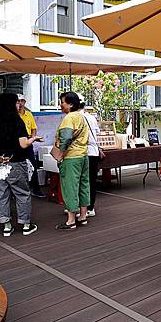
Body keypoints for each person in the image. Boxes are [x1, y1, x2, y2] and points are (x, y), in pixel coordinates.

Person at [0, 93, 43, 236]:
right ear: (11, 104)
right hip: (15, 162)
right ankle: (25, 225)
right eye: (17, 102)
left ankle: (6, 226)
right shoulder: (17, 121)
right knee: (22, 193)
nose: (19, 104)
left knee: (2, 194)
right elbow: (23, 144)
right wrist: (33, 138)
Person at [55, 91, 90, 230]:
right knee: (83, 185)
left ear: (70, 104)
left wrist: (61, 153)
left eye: (62, 102)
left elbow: (66, 137)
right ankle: (83, 216)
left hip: (71, 158)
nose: (60, 105)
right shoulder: (81, 117)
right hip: (83, 156)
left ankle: (71, 220)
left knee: (70, 187)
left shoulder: (68, 118)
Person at [17, 94, 46, 198]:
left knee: (33, 165)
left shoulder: (28, 114)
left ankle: (36, 189)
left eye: (22, 101)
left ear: (25, 102)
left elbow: (33, 128)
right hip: (17, 142)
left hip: (28, 140)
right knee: (17, 166)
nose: (20, 103)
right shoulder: (13, 115)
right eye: (18, 101)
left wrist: (32, 138)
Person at [78, 94, 100, 217]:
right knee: (91, 181)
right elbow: (97, 134)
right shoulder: (91, 117)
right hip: (94, 152)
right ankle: (90, 207)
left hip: (83, 152)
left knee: (82, 181)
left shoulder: (76, 117)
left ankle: (81, 208)